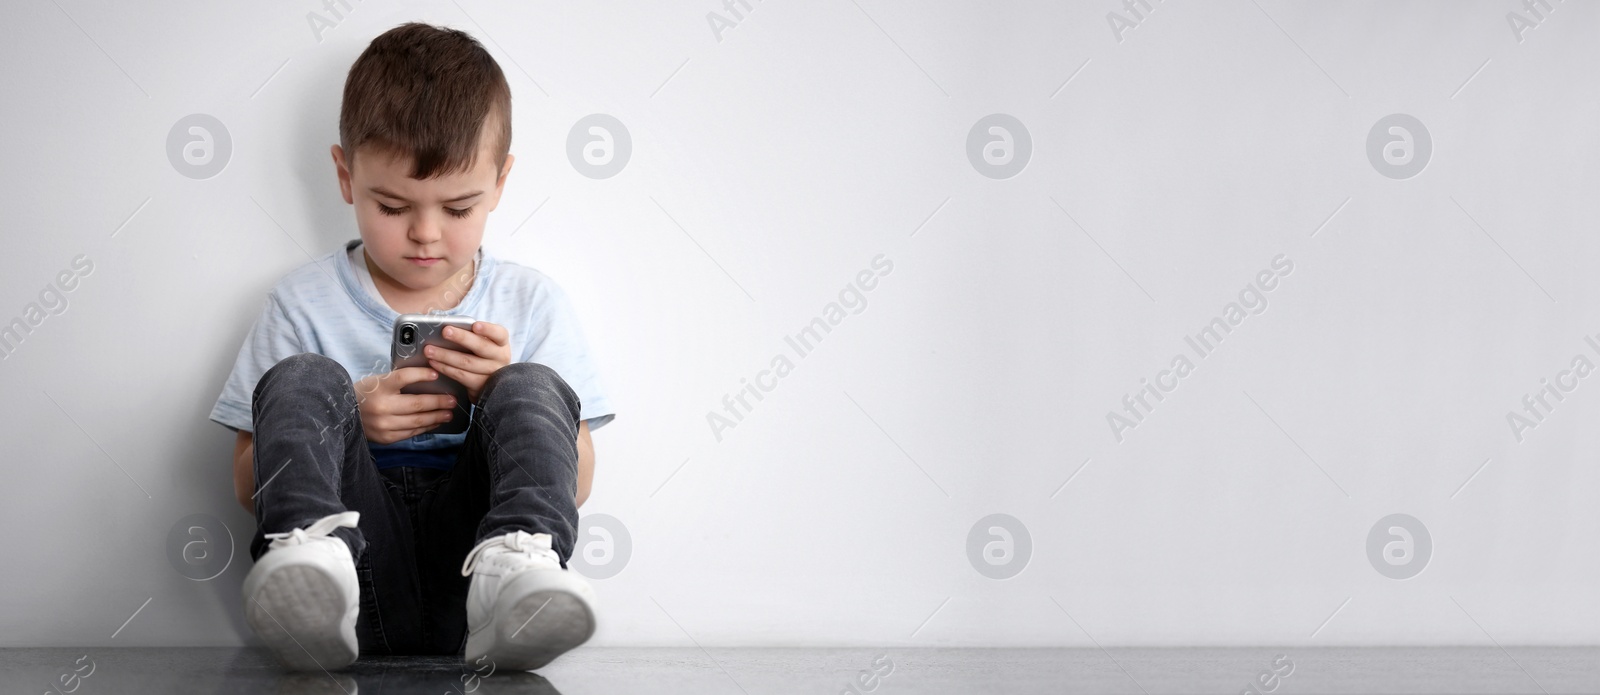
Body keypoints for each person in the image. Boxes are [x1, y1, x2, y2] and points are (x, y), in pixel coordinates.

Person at [207, 22, 616, 672]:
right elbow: (243, 480)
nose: (426, 235)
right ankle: (309, 563)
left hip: (480, 577)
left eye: (458, 210)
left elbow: (581, 478)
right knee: (304, 377)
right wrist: (350, 413)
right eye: (393, 206)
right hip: (352, 576)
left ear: (501, 183)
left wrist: (502, 398)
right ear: (345, 176)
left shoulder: (533, 302)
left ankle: (519, 578)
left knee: (530, 383)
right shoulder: (301, 302)